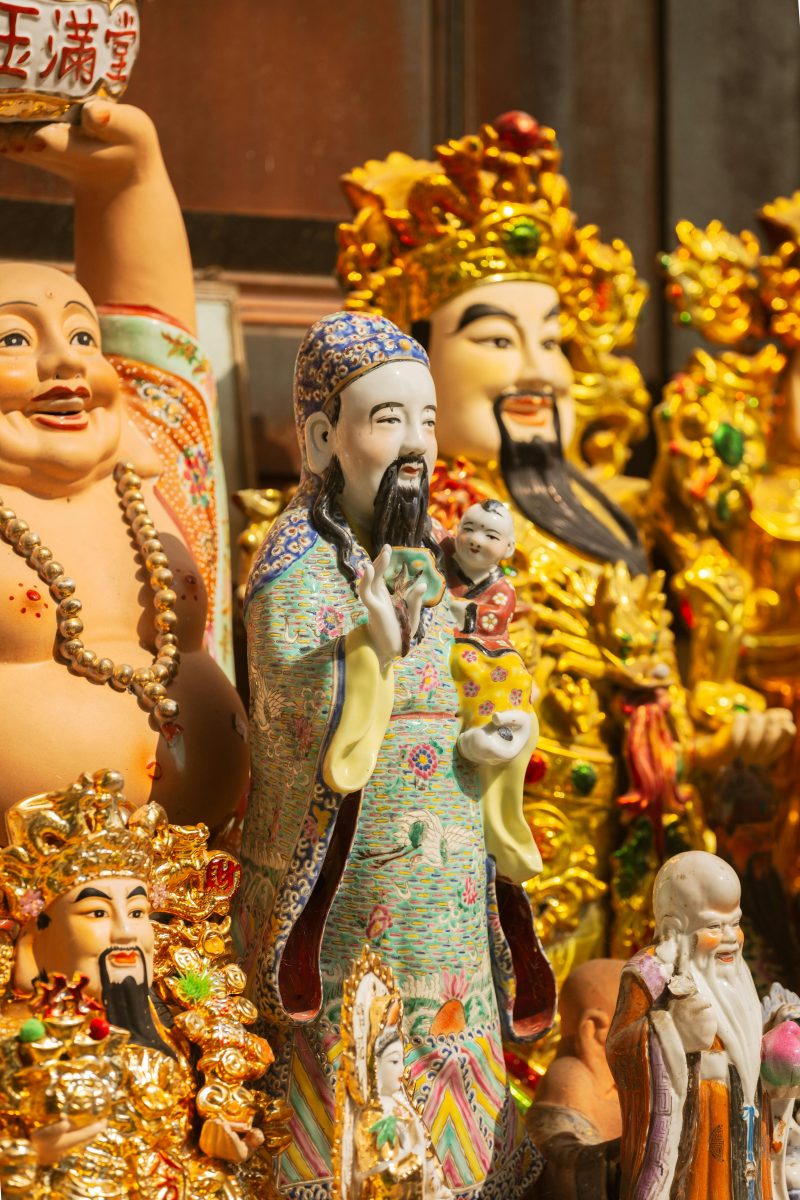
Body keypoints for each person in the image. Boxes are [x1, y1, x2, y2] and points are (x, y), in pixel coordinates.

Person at [335, 115, 796, 1040]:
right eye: (496, 340)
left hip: (627, 867)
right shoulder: (405, 531)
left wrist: (705, 738)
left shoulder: (605, 522)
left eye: (552, 343)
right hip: (482, 867)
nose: (537, 370)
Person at [237, 311, 555, 1199]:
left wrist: (509, 728)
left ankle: (465, 1167)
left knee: (453, 1002)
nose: (416, 445)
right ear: (321, 438)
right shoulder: (296, 560)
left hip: (450, 852)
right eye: (388, 420)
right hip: (353, 862)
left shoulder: (443, 554)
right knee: (359, 1022)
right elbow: (290, 705)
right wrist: (368, 652)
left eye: (426, 420)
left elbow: (493, 666)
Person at [0, 101, 248, 832]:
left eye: (83, 336)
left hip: (195, 871)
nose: (66, 361)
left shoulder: (142, 465)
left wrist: (127, 183)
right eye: (14, 340)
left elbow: (155, 344)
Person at [0, 767, 285, 1198]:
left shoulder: (176, 1026)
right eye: (97, 913)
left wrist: (217, 1138)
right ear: (36, 931)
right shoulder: (19, 1040)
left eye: (137, 913)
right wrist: (32, 1156)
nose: (126, 933)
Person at [607, 850, 800, 1200]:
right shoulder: (650, 975)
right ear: (674, 927)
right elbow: (620, 1049)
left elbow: (742, 1042)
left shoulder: (733, 970)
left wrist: (773, 1033)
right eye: (713, 926)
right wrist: (670, 1033)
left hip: (747, 1124)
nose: (730, 937)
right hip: (699, 1137)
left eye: (735, 923)